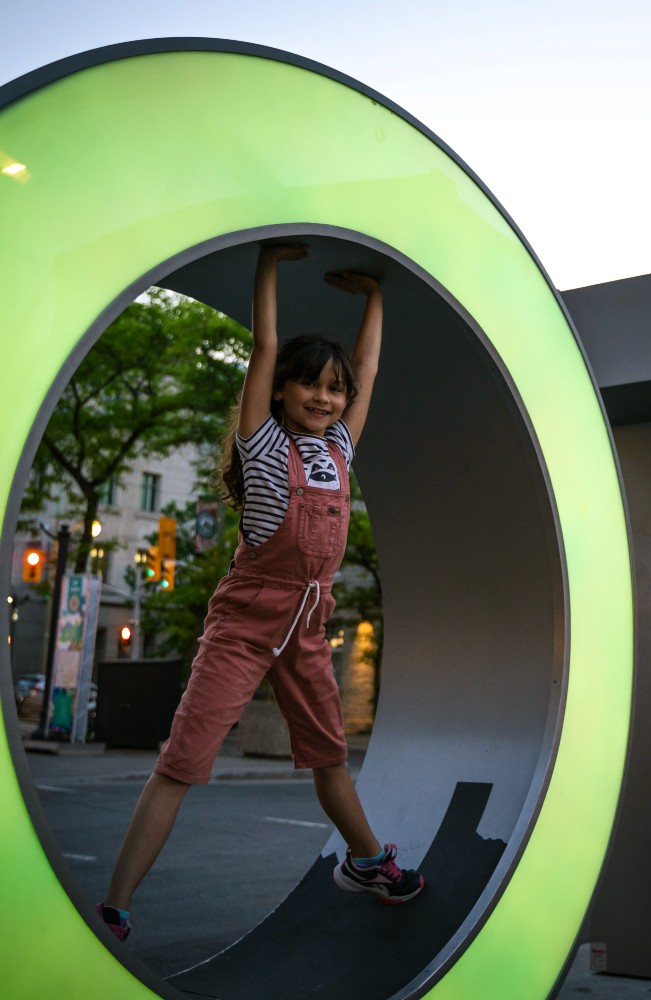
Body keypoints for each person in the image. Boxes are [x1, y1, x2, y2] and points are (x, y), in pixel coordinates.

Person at [95, 244, 424, 943]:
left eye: (334, 391)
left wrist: (376, 299)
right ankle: (116, 903)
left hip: (307, 626)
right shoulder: (263, 445)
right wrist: (269, 265)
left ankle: (367, 862)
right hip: (246, 622)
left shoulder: (339, 450)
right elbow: (266, 343)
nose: (326, 397)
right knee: (181, 762)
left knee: (330, 757)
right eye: (310, 385)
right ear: (279, 390)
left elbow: (368, 368)